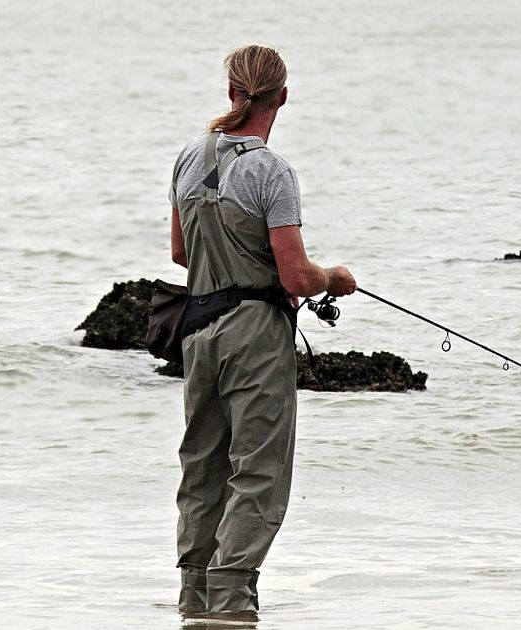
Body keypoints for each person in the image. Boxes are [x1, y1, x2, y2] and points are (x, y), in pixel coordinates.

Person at [168, 44, 357, 621]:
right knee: (258, 471)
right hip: (254, 334)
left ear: (231, 92)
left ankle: (193, 599)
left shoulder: (187, 158)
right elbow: (297, 275)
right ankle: (231, 600)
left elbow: (180, 254)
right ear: (283, 96)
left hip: (197, 332)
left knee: (202, 468)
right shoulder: (271, 171)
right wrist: (337, 278)